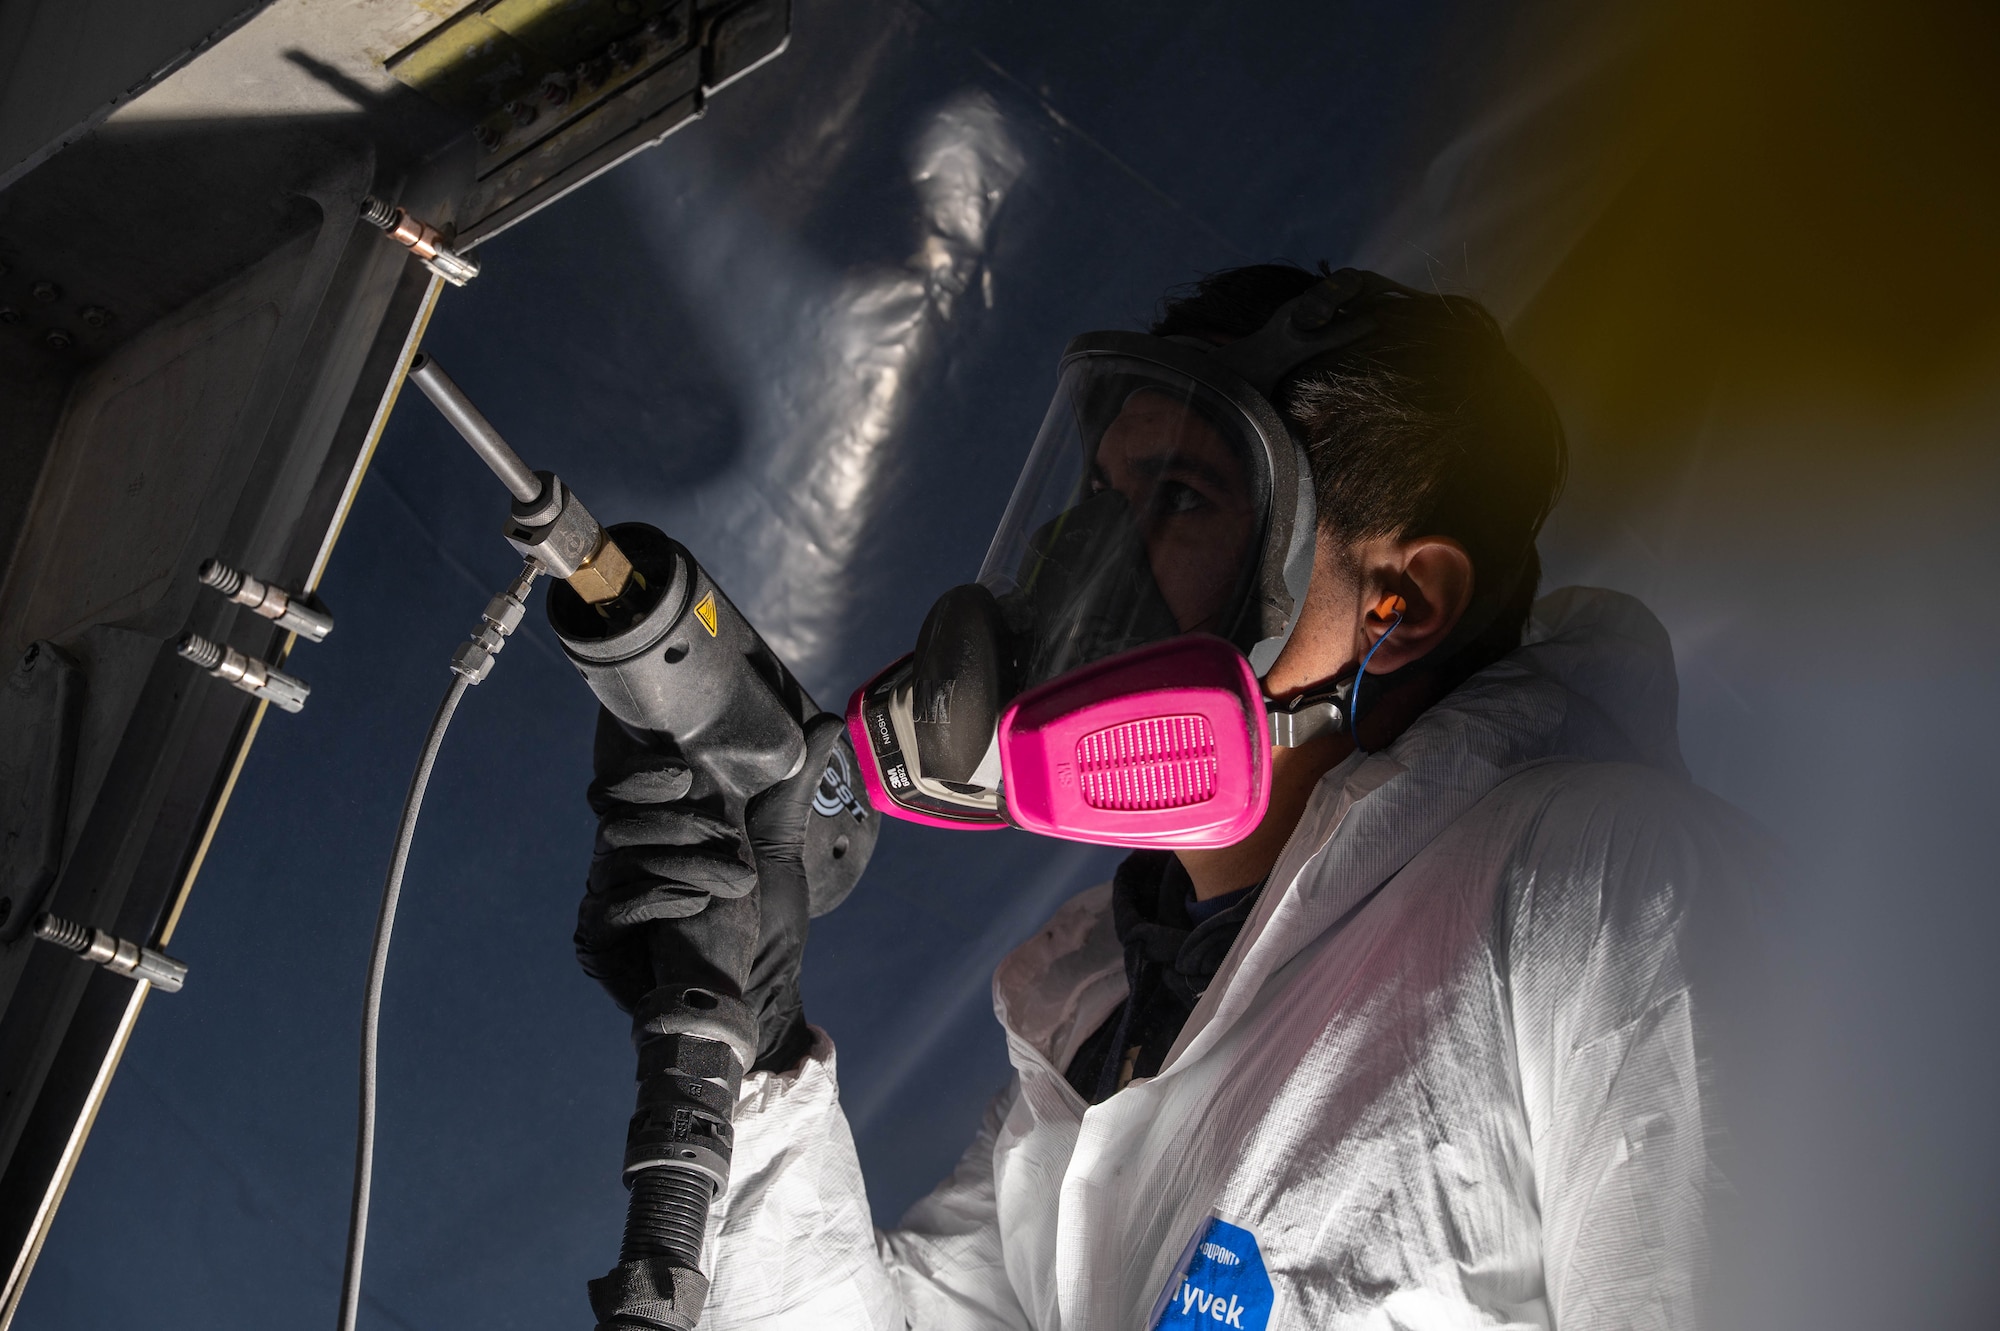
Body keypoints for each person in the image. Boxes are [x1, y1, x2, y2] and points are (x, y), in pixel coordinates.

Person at [577, 263, 1765, 1329]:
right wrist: (757, 1040)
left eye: (1179, 497)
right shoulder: (1101, 1009)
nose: (1082, 559)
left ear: (1398, 606)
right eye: (1097, 495)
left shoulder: (1597, 885)